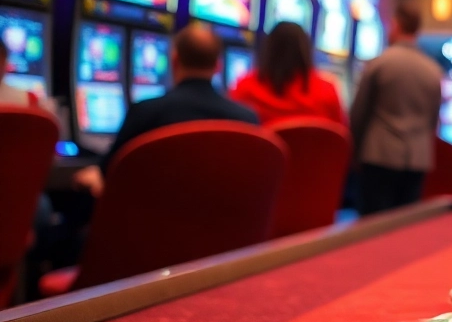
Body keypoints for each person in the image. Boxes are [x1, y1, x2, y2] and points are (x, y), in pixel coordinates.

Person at [72, 24, 258, 198]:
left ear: (174, 60)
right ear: (218, 66)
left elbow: (110, 171)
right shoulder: (247, 121)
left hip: (148, 228)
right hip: (221, 228)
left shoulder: (146, 112)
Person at [349, 6, 443, 215]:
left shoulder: (379, 64)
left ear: (396, 25)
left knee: (373, 227)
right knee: (404, 230)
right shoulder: (433, 70)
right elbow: (434, 121)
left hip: (378, 155)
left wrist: (354, 154)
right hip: (417, 159)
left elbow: (358, 115)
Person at [230, 21, 345, 126]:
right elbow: (342, 141)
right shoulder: (327, 92)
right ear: (305, 51)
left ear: (269, 49)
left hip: (260, 150)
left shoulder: (245, 88)